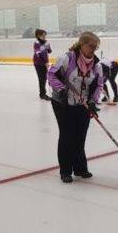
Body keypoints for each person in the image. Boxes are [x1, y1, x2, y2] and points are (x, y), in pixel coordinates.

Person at [48, 32, 104, 183]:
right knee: (67, 136)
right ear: (82, 44)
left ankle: (80, 168)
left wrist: (92, 101)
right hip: (63, 103)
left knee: (80, 137)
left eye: (96, 46)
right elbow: (51, 75)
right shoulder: (66, 59)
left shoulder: (97, 65)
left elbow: (99, 85)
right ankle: (65, 171)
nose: (94, 49)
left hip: (83, 105)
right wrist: (61, 88)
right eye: (91, 46)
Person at [33, 29, 52, 101]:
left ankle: (43, 93)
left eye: (45, 35)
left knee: (44, 78)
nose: (44, 37)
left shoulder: (45, 42)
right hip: (38, 63)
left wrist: (48, 46)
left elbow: (49, 51)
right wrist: (45, 62)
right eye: (43, 35)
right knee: (41, 78)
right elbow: (38, 54)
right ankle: (42, 94)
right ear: (38, 36)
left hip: (44, 62)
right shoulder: (36, 43)